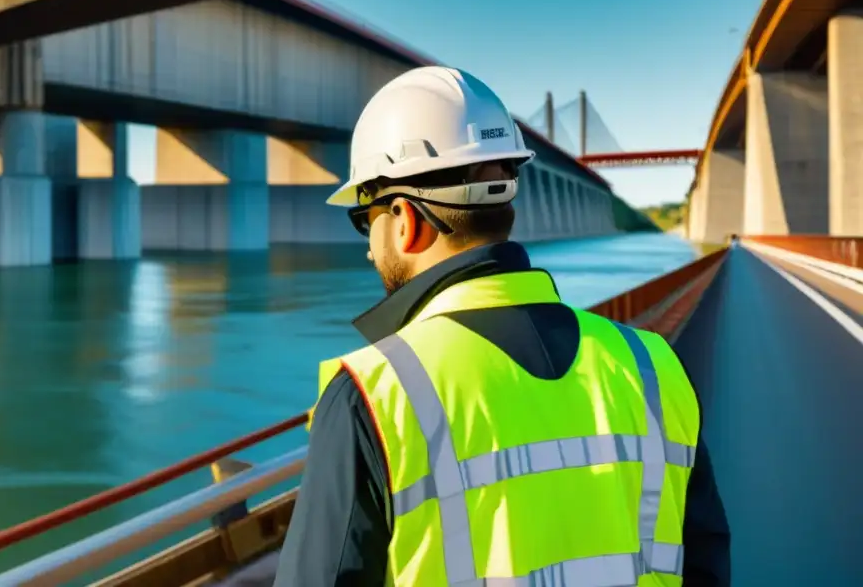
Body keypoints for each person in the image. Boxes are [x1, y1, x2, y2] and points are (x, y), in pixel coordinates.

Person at [272, 66, 730, 587]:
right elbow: (705, 564)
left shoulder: (373, 398)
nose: (368, 245)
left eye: (364, 219)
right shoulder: (653, 368)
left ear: (405, 220)